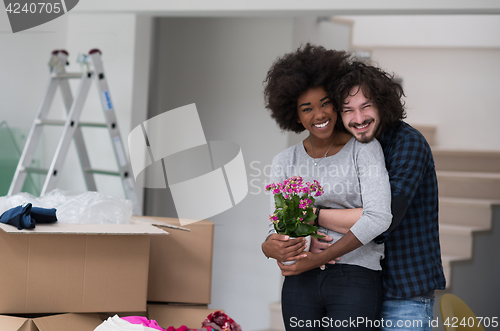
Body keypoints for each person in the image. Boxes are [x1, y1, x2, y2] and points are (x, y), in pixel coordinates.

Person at [277, 61, 446, 331]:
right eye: (348, 110)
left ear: (382, 105)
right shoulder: (349, 146)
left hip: (404, 290)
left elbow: (382, 218)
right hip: (365, 279)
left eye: (366, 106)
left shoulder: (408, 144)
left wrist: (312, 213)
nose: (358, 118)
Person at [262, 44, 392, 330]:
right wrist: (270, 248)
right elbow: (279, 227)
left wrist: (319, 255)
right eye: (307, 108)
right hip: (300, 285)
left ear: (336, 101)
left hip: (355, 278)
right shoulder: (285, 160)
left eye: (325, 103)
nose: (319, 114)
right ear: (296, 116)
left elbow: (378, 217)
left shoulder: (364, 149)